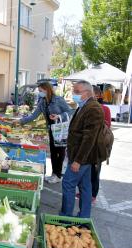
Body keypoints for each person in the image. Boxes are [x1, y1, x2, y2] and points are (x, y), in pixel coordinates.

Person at [60, 80, 104, 218]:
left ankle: (65, 216)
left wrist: (78, 161)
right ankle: (84, 217)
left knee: (68, 183)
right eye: (74, 91)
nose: (74, 94)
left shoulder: (93, 108)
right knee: (85, 187)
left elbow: (89, 138)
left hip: (83, 157)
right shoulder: (83, 105)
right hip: (81, 155)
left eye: (77, 92)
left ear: (88, 93)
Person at [15, 81, 72, 184]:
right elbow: (34, 115)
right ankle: (54, 174)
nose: (40, 92)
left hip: (60, 129)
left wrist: (58, 116)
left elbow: (69, 111)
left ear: (47, 90)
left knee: (60, 151)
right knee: (54, 152)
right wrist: (21, 121)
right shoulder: (42, 102)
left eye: (41, 91)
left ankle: (58, 175)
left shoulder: (58, 100)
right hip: (51, 128)